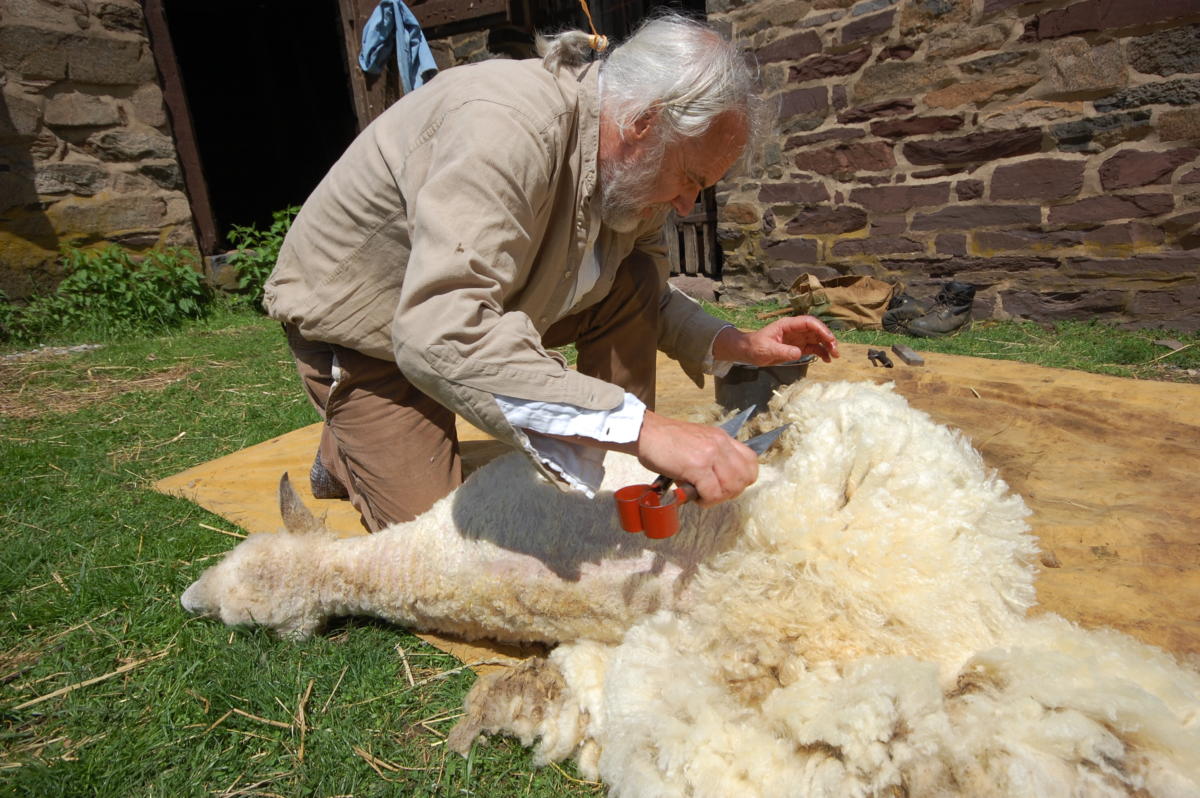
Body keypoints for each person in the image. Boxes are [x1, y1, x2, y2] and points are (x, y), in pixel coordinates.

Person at [262, 13, 839, 532]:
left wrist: (735, 342)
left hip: (482, 306)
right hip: (373, 329)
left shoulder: (632, 175)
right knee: (441, 543)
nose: (688, 205)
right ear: (644, 123)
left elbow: (647, 295)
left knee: (634, 275)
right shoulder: (504, 127)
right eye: (691, 177)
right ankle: (344, 450)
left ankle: (614, 464)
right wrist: (648, 429)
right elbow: (441, 329)